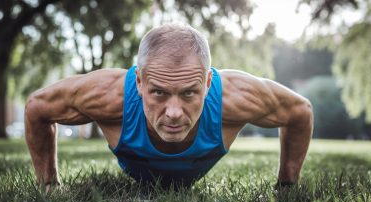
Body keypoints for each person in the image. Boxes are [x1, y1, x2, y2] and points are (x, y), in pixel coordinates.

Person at [25, 23, 313, 189]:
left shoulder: (235, 98)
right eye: (159, 93)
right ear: (139, 81)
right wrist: (49, 185)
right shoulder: (108, 95)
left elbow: (300, 112)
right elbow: (38, 107)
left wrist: (287, 186)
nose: (174, 112)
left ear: (208, 83)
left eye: (189, 93)